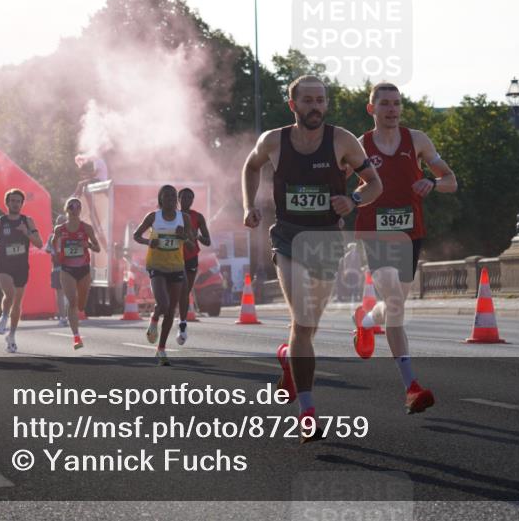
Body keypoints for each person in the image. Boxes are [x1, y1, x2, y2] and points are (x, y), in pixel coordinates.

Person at [241, 75, 382, 442]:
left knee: (309, 326)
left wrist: (353, 200)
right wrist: (249, 205)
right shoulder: (274, 140)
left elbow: (374, 184)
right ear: (293, 105)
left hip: (326, 239)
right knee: (303, 320)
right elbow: (251, 166)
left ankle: (288, 356)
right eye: (307, 101)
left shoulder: (342, 140)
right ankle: (307, 412)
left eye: (320, 100)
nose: (315, 107)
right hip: (288, 235)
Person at [352, 82, 458, 414]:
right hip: (374, 233)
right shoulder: (359, 146)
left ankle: (367, 321)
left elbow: (451, 181)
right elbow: (333, 182)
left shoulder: (418, 140)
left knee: (393, 303)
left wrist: (433, 182)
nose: (392, 109)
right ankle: (411, 386)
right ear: (372, 109)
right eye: (384, 104)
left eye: (397, 103)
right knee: (396, 304)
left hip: (411, 233)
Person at [133, 185, 194, 365]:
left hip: (176, 266)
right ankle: (153, 320)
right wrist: (149, 242)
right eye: (166, 196)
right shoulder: (153, 217)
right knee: (164, 304)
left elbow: (191, 246)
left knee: (170, 310)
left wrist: (183, 237)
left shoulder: (184, 218)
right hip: (157, 265)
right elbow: (137, 235)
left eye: (172, 196)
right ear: (160, 199)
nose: (169, 199)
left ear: (176, 200)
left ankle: (161, 350)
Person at [0, 188, 44, 353]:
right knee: (9, 294)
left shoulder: (28, 221)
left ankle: (11, 336)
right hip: (4, 264)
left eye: (18, 201)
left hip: (21, 266)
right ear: (7, 203)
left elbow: (39, 243)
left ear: (22, 204)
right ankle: (3, 318)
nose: (15, 204)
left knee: (17, 303)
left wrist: (26, 233)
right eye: (13, 201)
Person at [52, 197, 101, 350]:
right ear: (67, 209)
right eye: (72, 206)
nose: (76, 209)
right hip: (67, 269)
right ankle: (76, 337)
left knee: (81, 305)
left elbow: (97, 248)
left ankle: (78, 311)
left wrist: (88, 245)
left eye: (78, 206)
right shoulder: (60, 229)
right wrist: (57, 254)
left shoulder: (86, 228)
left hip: (83, 269)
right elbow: (54, 243)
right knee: (72, 301)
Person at [179, 187, 212, 327]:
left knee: (185, 291)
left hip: (191, 257)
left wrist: (196, 235)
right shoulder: (173, 215)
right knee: (175, 289)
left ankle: (182, 321)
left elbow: (208, 241)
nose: (187, 200)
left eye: (189, 198)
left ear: (193, 200)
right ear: (178, 199)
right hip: (175, 256)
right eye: (184, 198)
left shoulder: (198, 217)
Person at [45, 214, 70, 327]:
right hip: (67, 268)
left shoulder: (52, 237)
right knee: (66, 294)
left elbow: (47, 250)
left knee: (61, 294)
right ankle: (65, 316)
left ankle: (64, 317)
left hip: (59, 268)